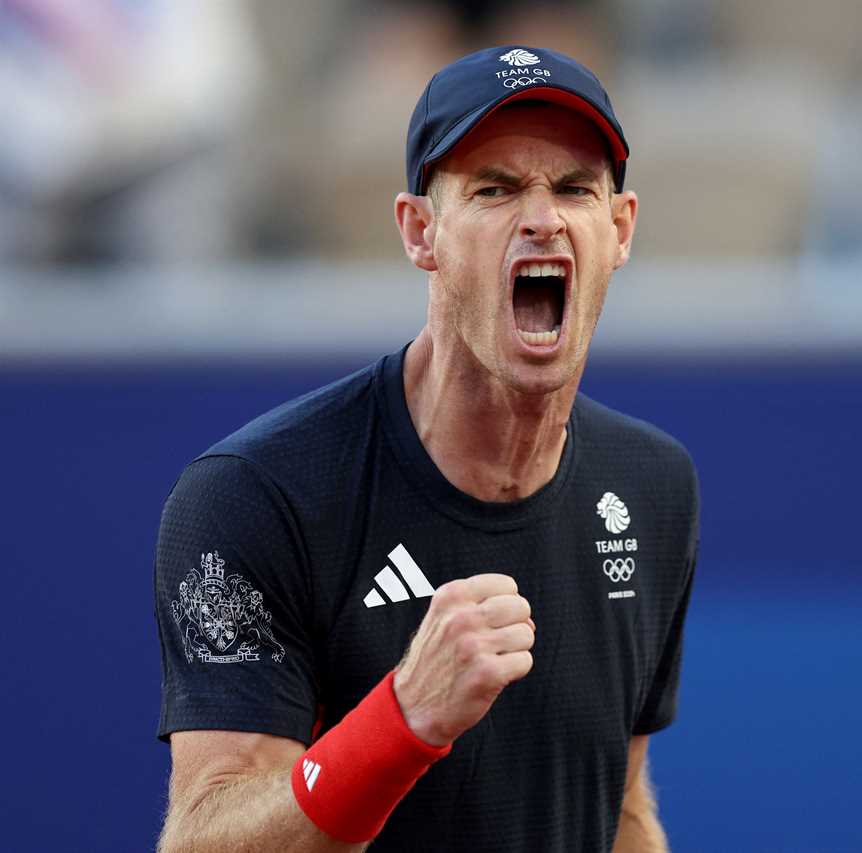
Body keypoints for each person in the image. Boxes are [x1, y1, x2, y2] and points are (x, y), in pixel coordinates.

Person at [154, 45, 699, 852]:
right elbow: (203, 839)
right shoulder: (256, 494)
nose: (542, 217)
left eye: (575, 188)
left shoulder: (652, 485)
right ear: (420, 231)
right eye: (496, 188)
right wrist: (403, 718)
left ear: (619, 230)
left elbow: (620, 806)